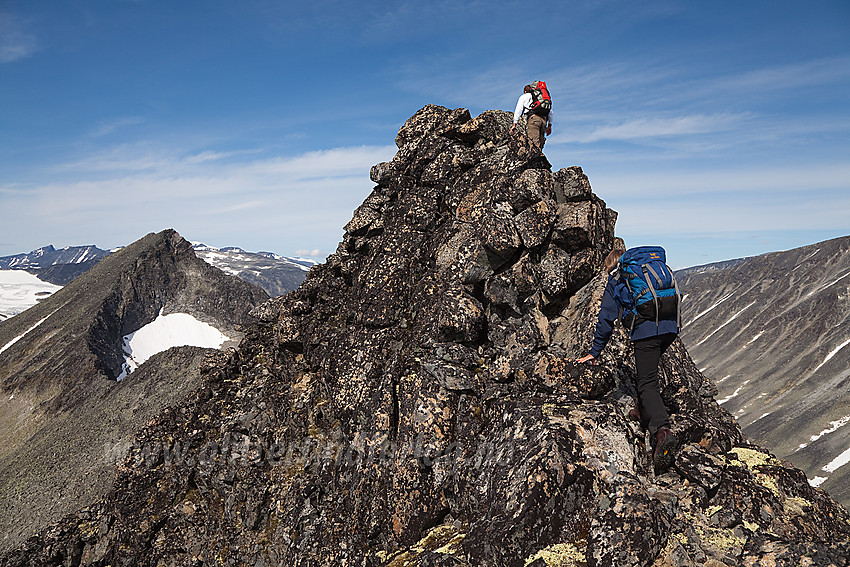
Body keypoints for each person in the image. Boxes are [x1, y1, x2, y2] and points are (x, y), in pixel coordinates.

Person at [576, 239, 679, 471]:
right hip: (670, 327)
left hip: (646, 330)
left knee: (647, 383)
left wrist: (594, 352)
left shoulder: (617, 280)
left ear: (611, 266)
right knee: (647, 374)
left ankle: (662, 431)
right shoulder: (646, 271)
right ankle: (643, 412)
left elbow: (605, 319)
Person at [510, 84, 553, 150]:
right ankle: (539, 159)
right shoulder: (540, 97)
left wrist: (514, 124)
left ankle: (537, 159)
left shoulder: (525, 96)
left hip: (534, 120)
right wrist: (549, 125)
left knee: (534, 145)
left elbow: (519, 109)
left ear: (525, 91)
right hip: (544, 121)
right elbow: (550, 112)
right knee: (540, 144)